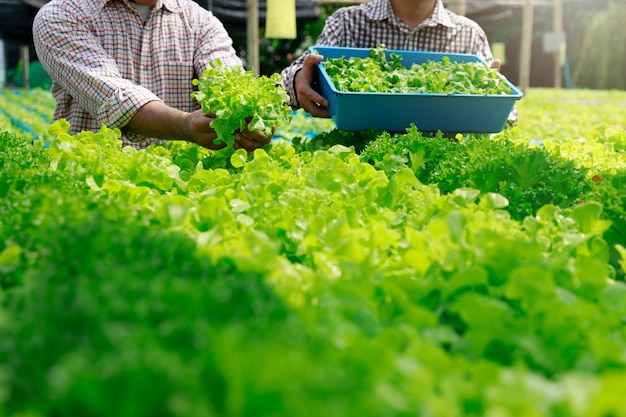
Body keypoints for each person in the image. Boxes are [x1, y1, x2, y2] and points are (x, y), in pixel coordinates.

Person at [32, 0, 272, 151]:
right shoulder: (63, 15)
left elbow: (226, 79)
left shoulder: (200, 22)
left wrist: (249, 119)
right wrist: (185, 125)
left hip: (184, 195)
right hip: (94, 196)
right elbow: (115, 98)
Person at [280, 0, 516, 126]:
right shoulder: (347, 23)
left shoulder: (468, 34)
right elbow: (288, 85)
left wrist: (490, 99)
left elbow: (508, 117)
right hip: (362, 168)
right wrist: (302, 75)